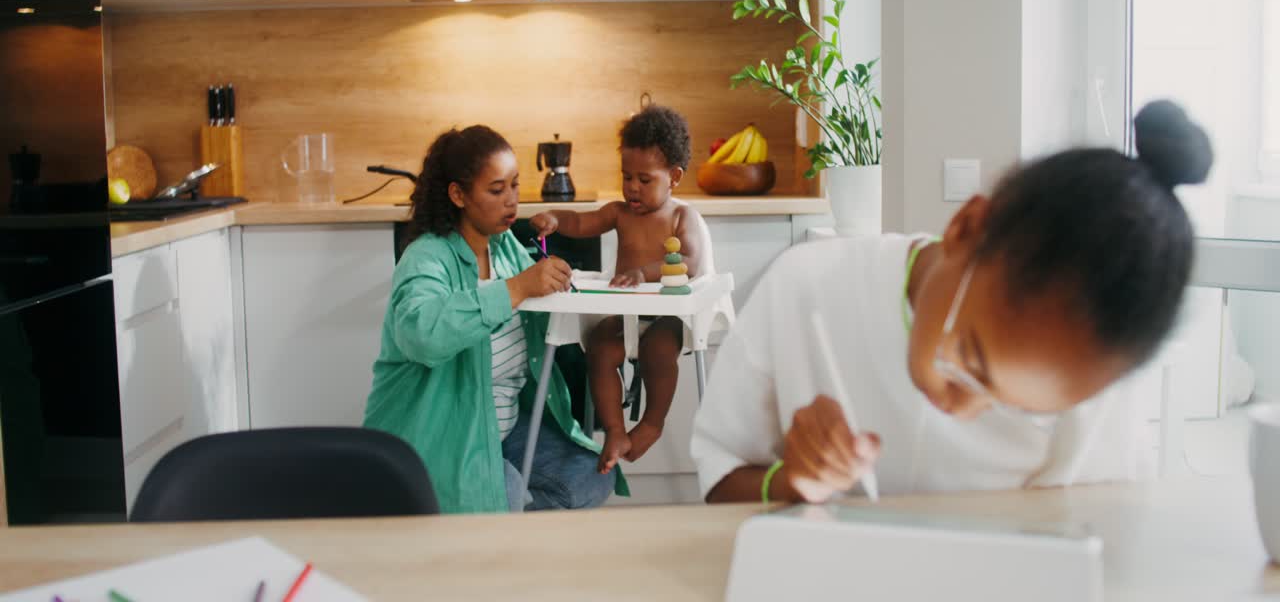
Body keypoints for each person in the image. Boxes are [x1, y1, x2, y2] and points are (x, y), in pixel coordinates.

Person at [692, 101, 1214, 504]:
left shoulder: (1093, 385)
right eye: (967, 360)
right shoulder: (806, 288)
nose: (959, 407)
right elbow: (718, 479)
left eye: (1017, 409)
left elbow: (1095, 544)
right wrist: (793, 480)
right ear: (966, 228)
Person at [363, 125, 625, 513]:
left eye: (515, 186)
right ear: (458, 195)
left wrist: (586, 295)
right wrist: (516, 289)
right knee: (503, 493)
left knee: (592, 476)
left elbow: (544, 312)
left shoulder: (504, 248)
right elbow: (420, 333)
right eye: (496, 190)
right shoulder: (427, 256)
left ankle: (499, 513)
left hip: (502, 427)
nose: (511, 202)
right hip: (443, 435)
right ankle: (493, 508)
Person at [530, 105, 713, 474]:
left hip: (666, 315)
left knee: (659, 349)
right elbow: (582, 223)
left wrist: (645, 272)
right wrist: (556, 219)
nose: (632, 187)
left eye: (644, 180)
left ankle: (650, 424)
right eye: (626, 176)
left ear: (674, 177)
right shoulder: (619, 213)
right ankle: (615, 429)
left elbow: (691, 261)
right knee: (599, 349)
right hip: (624, 314)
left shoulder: (682, 217)